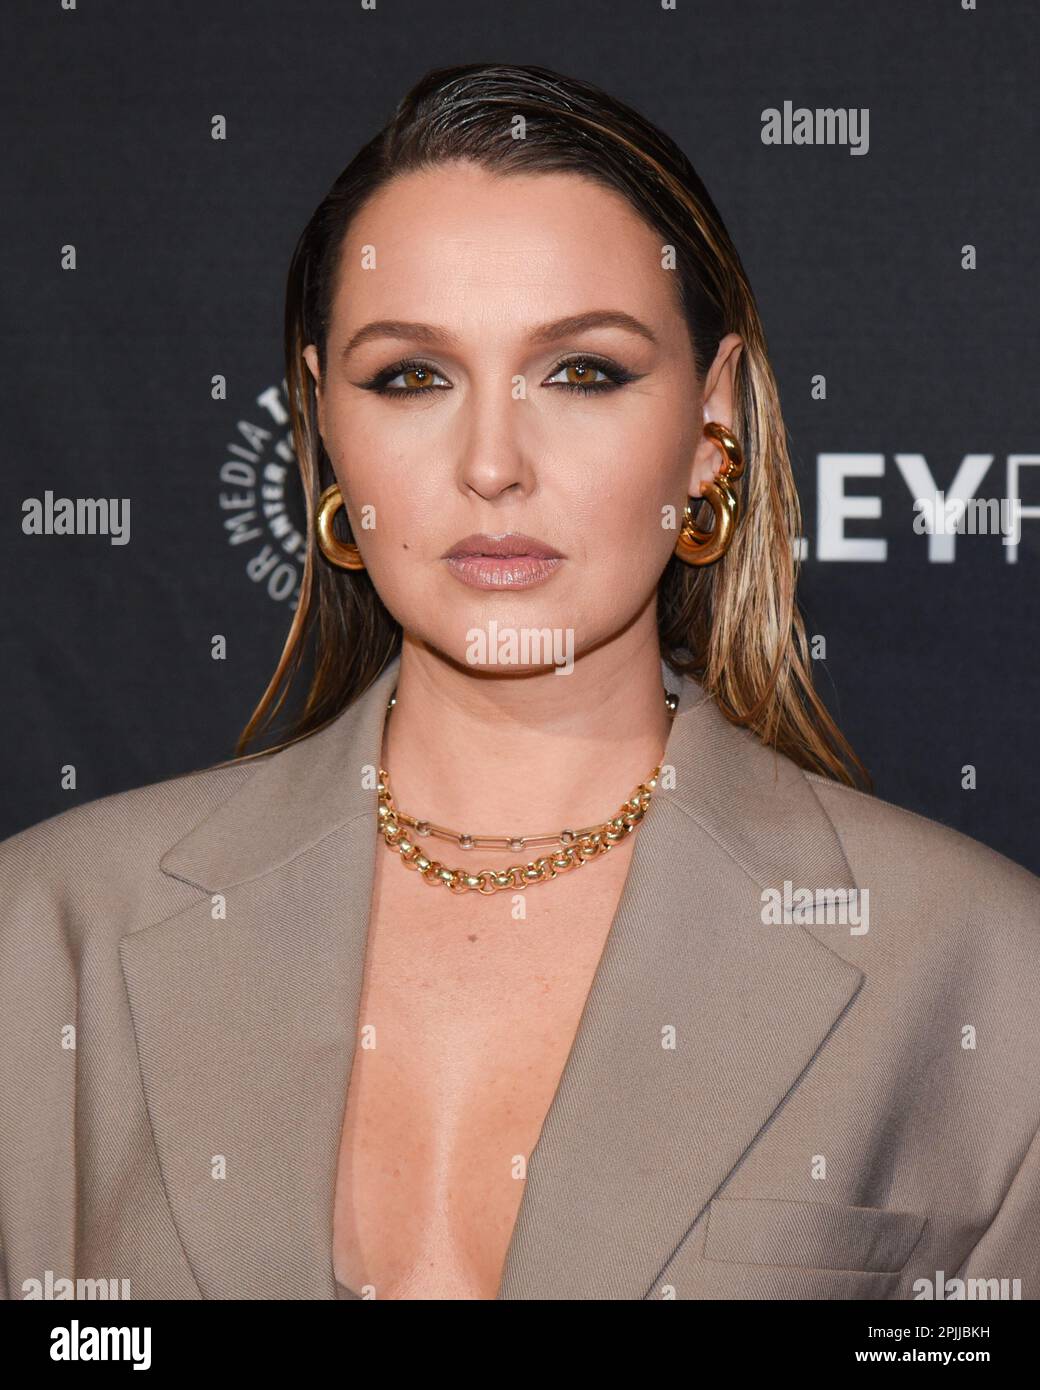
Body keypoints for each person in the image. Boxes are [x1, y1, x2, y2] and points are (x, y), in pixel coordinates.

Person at [2, 63, 1038, 1303]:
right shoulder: (47, 933)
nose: (491, 463)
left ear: (710, 426)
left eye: (582, 372)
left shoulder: (978, 971)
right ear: (322, 423)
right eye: (410, 376)